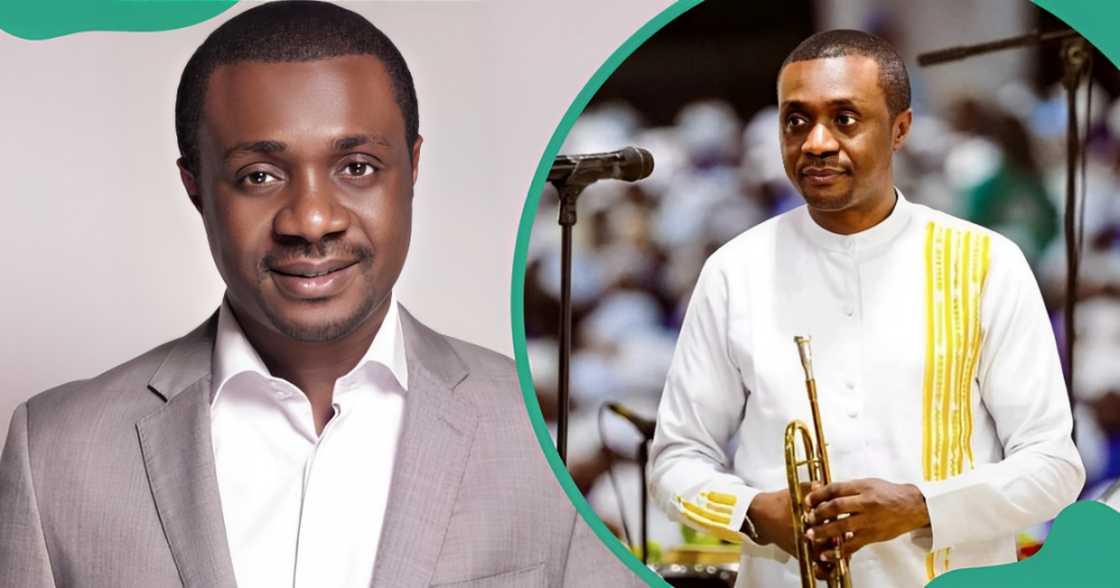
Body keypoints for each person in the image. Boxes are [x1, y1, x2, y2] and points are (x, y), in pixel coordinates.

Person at [0, 3, 643, 587]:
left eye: (356, 166)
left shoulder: (538, 438)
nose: (311, 219)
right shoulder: (55, 452)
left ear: (412, 169)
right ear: (196, 188)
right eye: (259, 175)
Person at [648, 29, 1085, 587]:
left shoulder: (987, 263)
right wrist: (754, 511)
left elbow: (1054, 467)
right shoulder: (735, 270)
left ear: (900, 129)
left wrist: (919, 505)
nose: (816, 142)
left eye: (845, 119)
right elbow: (673, 461)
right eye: (796, 120)